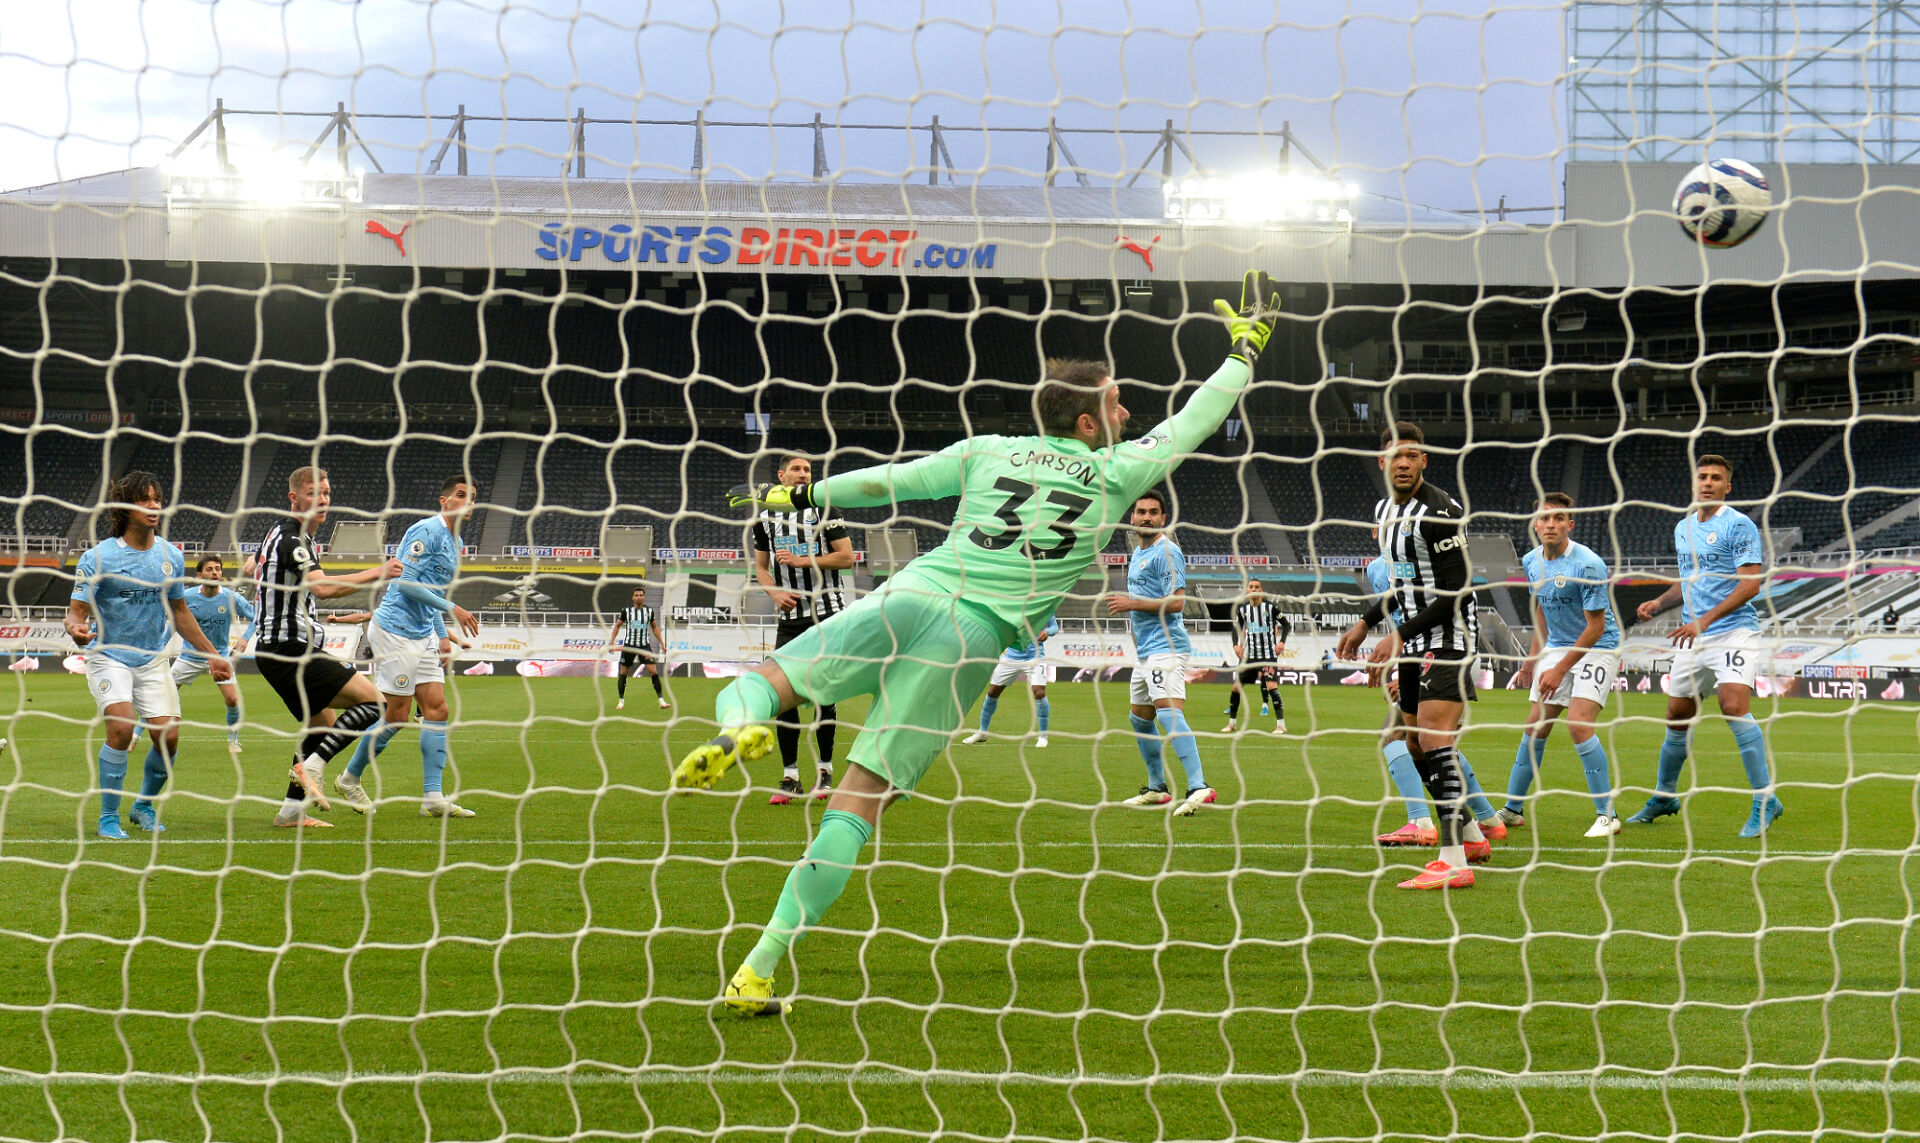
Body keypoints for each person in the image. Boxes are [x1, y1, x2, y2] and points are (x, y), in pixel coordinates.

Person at [672, 271, 1280, 1015]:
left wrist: (796, 494)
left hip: (911, 591)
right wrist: (1244, 352)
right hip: (971, 635)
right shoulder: (1120, 470)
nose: (1127, 411)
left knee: (772, 675)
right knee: (862, 801)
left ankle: (741, 727)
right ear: (1089, 424)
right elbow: (1199, 415)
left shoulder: (988, 448)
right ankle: (757, 969)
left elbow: (889, 483)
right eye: (1117, 402)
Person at [1338, 423, 1491, 890]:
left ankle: (1453, 861)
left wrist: (1398, 634)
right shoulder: (1384, 510)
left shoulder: (1441, 510)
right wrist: (1367, 621)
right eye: (1395, 456)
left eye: (1413, 455)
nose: (1403, 463)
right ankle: (1472, 834)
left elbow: (1455, 591)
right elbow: (1403, 585)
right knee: (1410, 742)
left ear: (1424, 461)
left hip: (1450, 638)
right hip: (1414, 640)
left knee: (1436, 740)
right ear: (1381, 463)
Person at [66, 471, 231, 838]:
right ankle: (108, 816)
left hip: (153, 657)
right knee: (122, 727)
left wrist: (212, 655)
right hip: (109, 656)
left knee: (168, 737)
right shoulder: (98, 558)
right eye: (145, 500)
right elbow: (76, 612)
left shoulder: (171, 556)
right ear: (125, 508)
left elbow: (180, 612)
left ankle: (143, 806)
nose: (154, 506)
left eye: (157, 499)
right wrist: (76, 628)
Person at [1625, 455, 1782, 836]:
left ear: (1727, 486)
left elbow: (1750, 584)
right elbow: (1689, 580)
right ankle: (1664, 796)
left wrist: (1704, 620)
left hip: (1733, 632)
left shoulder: (1739, 525)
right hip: (1693, 634)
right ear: (1693, 484)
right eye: (1702, 477)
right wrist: (1661, 603)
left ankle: (1765, 799)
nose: (1707, 482)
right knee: (1677, 714)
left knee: (1733, 706)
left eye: (1716, 478)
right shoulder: (1684, 527)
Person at [253, 466, 403, 829]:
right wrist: (377, 573)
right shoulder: (292, 539)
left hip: (282, 649)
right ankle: (313, 768)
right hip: (287, 648)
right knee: (375, 703)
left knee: (322, 722)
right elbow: (321, 588)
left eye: (326, 493)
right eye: (312, 493)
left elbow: (257, 567)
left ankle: (290, 813)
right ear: (294, 497)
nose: (321, 500)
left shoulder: (285, 536)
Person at [335, 478, 483, 817]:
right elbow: (404, 582)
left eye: (472, 498)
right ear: (444, 501)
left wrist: (442, 634)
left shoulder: (455, 541)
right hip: (394, 631)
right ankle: (349, 778)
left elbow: (433, 594)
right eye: (461, 495)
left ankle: (433, 798)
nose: (467, 502)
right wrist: (452, 609)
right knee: (397, 715)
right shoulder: (426, 531)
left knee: (438, 709)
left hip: (422, 633)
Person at [1498, 493, 1624, 838]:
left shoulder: (1588, 564)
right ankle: (1512, 809)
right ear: (1535, 525)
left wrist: (1557, 669)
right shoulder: (1530, 561)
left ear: (1570, 524)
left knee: (1578, 726)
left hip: (1599, 647)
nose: (1550, 524)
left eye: (1558, 519)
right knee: (1535, 726)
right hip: (1556, 646)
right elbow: (1542, 608)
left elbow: (1596, 627)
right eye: (1544, 518)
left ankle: (1607, 814)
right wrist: (1534, 659)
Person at [1364, 549, 1503, 848]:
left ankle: (1423, 822)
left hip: (1443, 649)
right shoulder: (1380, 566)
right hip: (1418, 650)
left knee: (1401, 736)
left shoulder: (1429, 544)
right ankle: (1486, 820)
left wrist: (1409, 669)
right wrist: (1365, 624)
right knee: (1431, 742)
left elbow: (1445, 600)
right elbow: (1401, 604)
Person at [752, 453, 854, 804]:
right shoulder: (764, 518)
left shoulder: (825, 509)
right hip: (790, 618)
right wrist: (774, 591)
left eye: (807, 470)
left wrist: (803, 560)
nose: (802, 474)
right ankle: (790, 776)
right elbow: (761, 567)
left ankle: (825, 772)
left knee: (824, 693)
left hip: (828, 614)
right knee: (783, 697)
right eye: (796, 469)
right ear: (781, 476)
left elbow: (846, 557)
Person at [1111, 490, 1215, 817]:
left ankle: (1199, 786)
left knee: (1168, 712)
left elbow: (1178, 602)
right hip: (1146, 650)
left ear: (1162, 518)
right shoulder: (1139, 552)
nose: (1146, 517)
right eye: (1140, 511)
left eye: (1153, 512)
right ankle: (1157, 788)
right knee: (1139, 718)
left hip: (1167, 645)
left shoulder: (1167, 551)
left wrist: (1132, 603)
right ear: (1132, 518)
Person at [173, 554, 255, 755]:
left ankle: (233, 740)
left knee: (232, 700)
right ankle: (136, 736)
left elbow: (257, 617)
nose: (215, 572)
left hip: (219, 658)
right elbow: (175, 622)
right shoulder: (187, 597)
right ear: (200, 575)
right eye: (209, 569)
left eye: (217, 569)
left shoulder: (230, 597)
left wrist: (244, 639)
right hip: (188, 657)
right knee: (164, 695)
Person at [962, 614, 1060, 747]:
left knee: (1039, 692)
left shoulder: (1043, 606)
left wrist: (1047, 631)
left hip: (1035, 657)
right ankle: (982, 732)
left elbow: (1054, 627)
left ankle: (1043, 736)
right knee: (992, 692)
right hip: (1011, 657)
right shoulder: (1010, 607)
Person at [1223, 577, 1289, 735]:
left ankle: (1281, 725)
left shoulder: (1270, 607)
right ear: (1247, 590)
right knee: (1236, 687)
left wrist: (1282, 642)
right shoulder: (1242, 609)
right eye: (1251, 586)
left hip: (1267, 655)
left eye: (1257, 587)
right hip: (1249, 657)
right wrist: (1235, 644)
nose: (1253, 589)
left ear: (1261, 590)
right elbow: (1236, 628)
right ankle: (1232, 724)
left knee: (1271, 686)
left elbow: (1286, 624)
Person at [606, 586, 669, 712]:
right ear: (633, 597)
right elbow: (617, 626)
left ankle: (661, 700)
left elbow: (655, 628)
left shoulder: (649, 612)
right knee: (623, 673)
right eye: (637, 595)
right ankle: (621, 700)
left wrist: (662, 643)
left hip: (644, 645)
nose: (639, 597)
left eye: (641, 595)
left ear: (644, 597)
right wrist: (611, 641)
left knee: (653, 671)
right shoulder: (626, 611)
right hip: (629, 645)